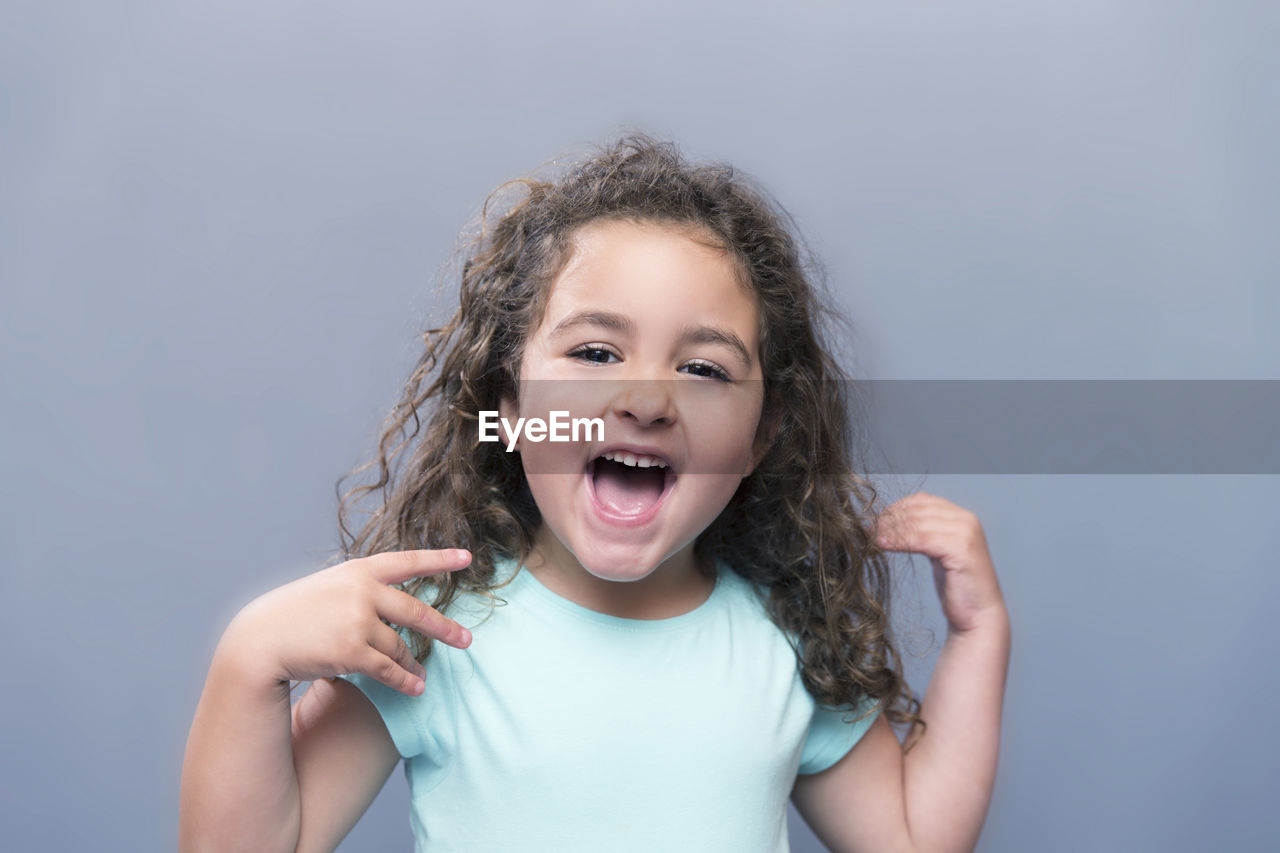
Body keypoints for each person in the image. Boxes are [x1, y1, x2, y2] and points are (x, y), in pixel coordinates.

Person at [179, 133, 1011, 853]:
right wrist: (248, 657)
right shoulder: (431, 635)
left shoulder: (784, 641)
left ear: (762, 437)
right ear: (509, 408)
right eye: (596, 354)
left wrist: (977, 635)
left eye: (703, 369)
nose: (647, 401)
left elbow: (912, 837)